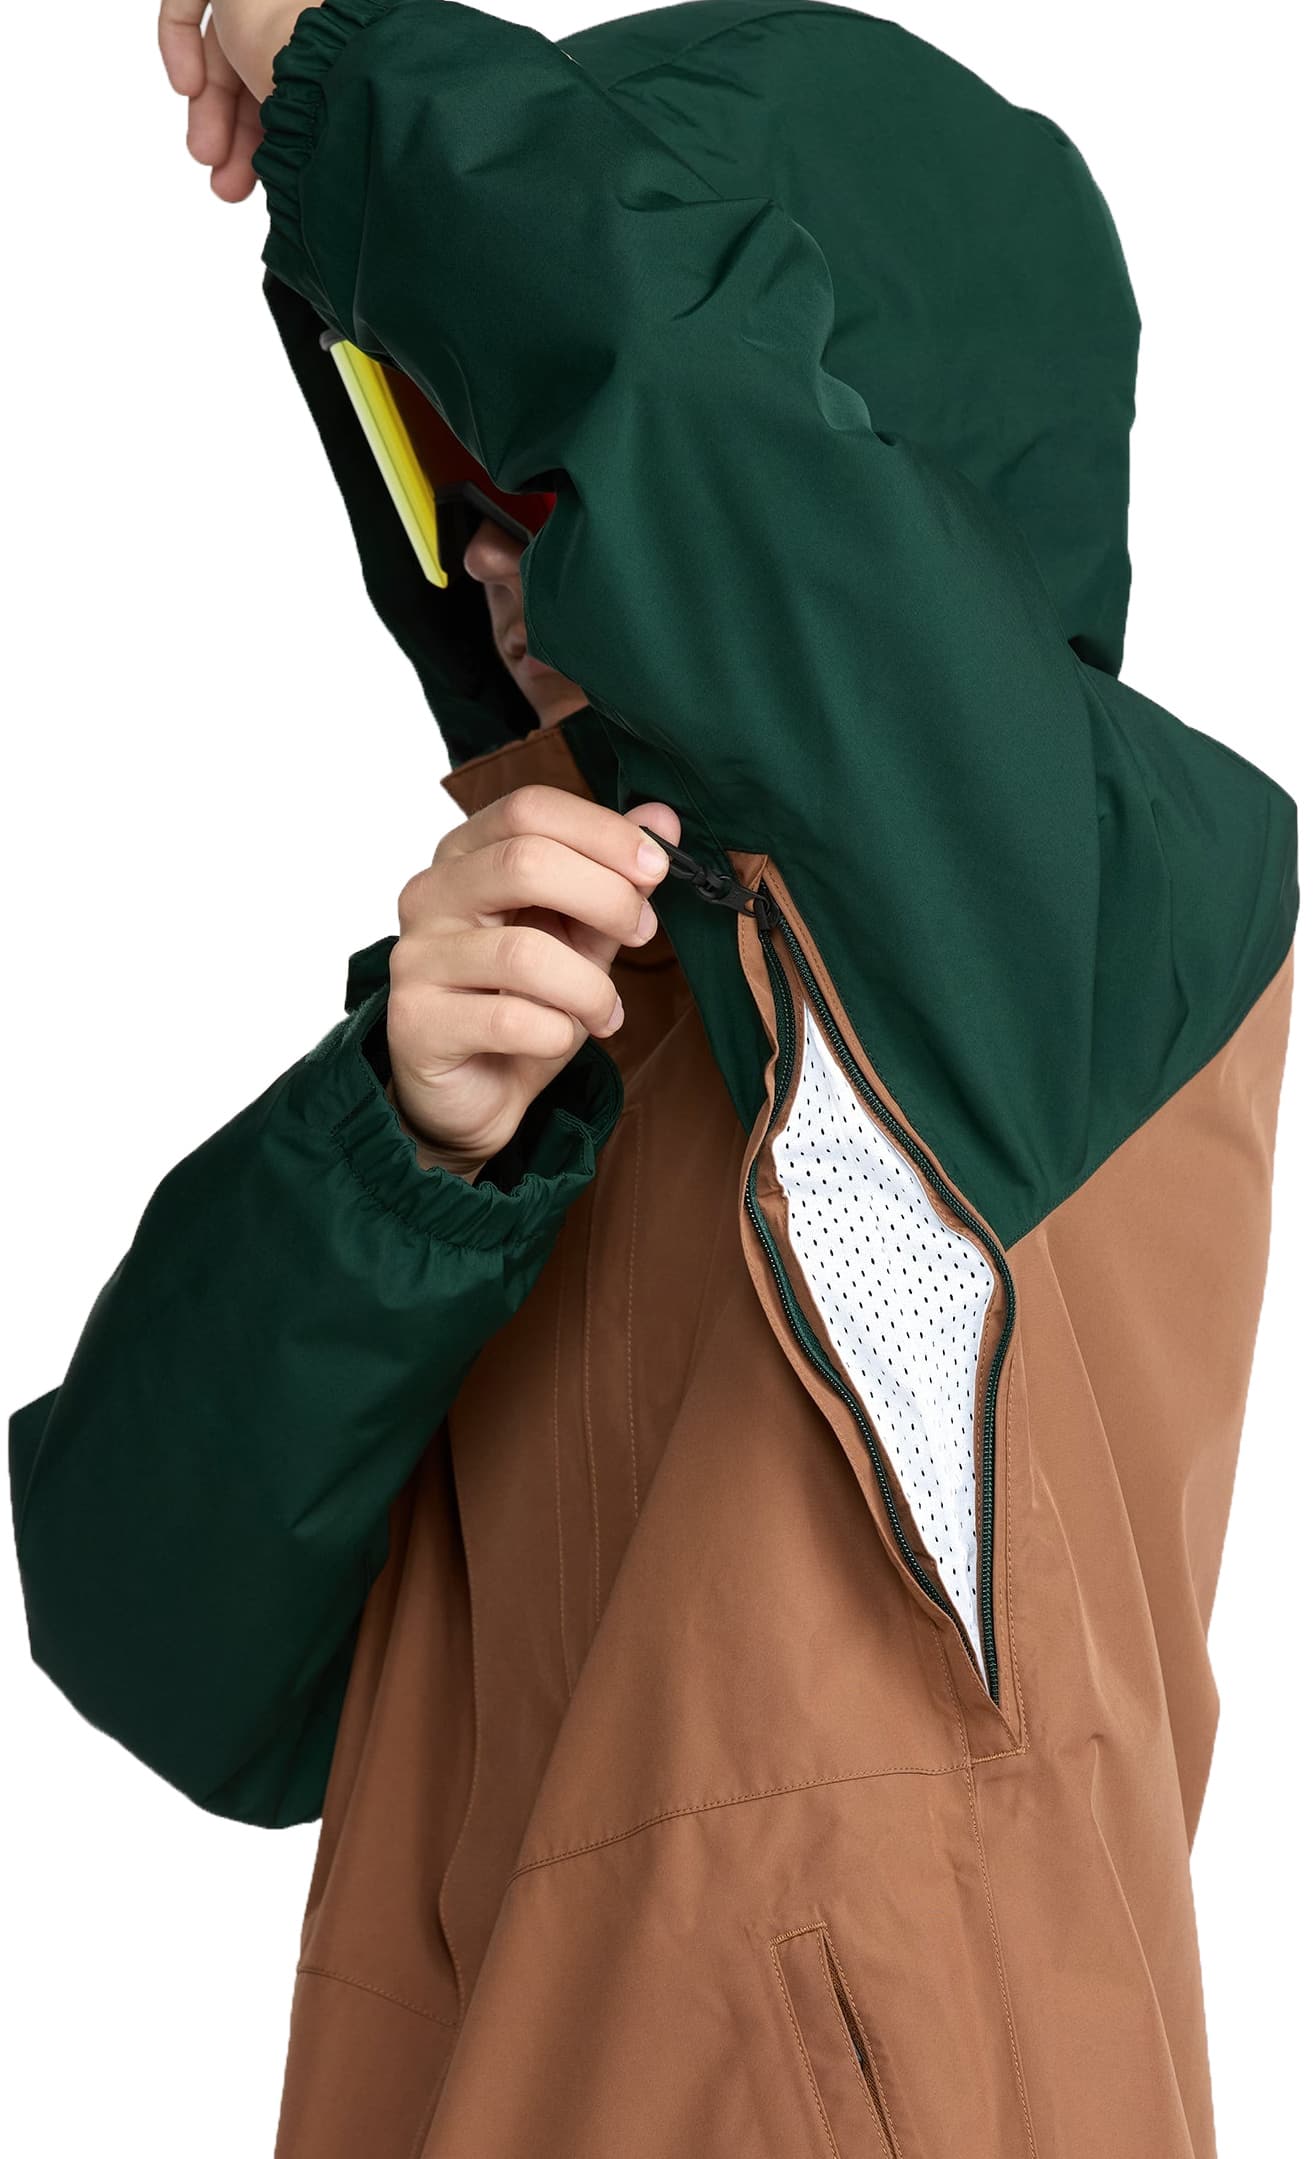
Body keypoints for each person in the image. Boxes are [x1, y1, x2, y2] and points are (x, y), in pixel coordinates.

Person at [10, 3, 1298, 2155]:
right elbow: (158, 1654)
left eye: (536, 472)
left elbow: (713, 436)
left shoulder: (1080, 913)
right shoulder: (548, 1024)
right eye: (438, 480)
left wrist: (335, 67)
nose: (480, 552)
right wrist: (392, 1159)